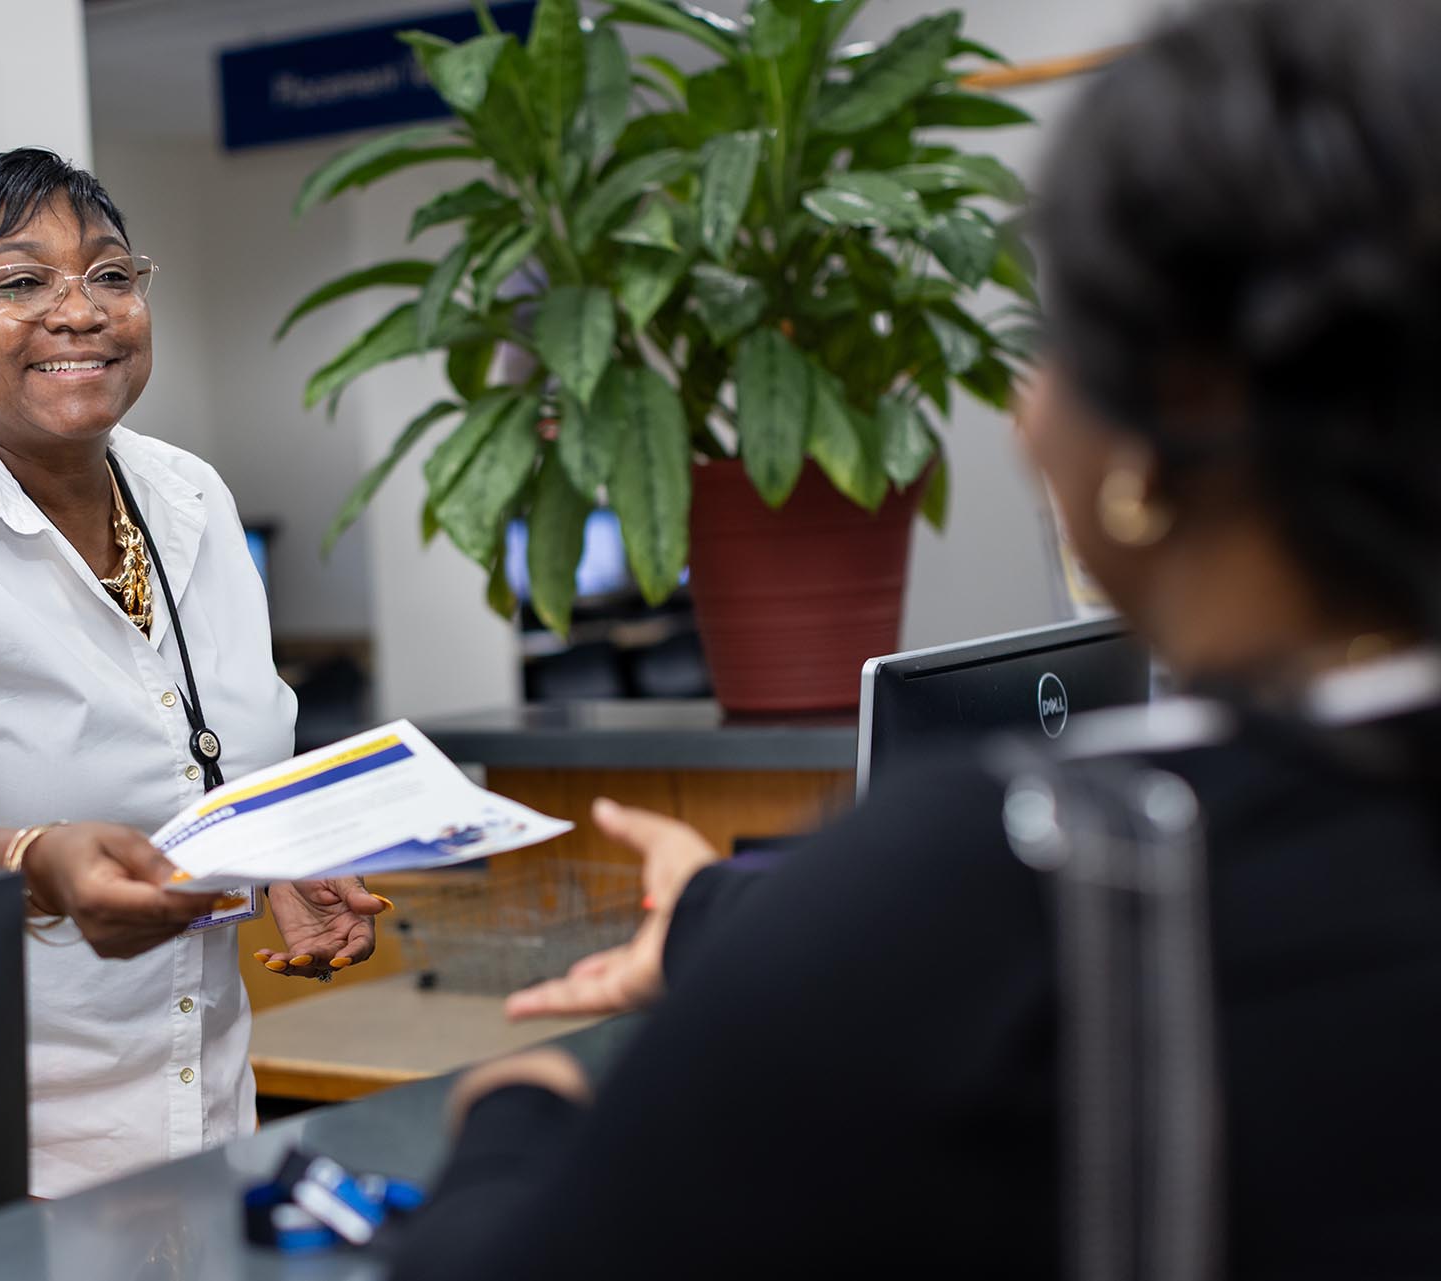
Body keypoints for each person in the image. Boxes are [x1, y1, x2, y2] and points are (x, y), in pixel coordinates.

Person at [388, 1, 1441, 1275]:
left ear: (1164, 424)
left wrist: (511, 1119)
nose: (1021, 407)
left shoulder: (995, 895)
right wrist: (722, 910)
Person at [0, 149, 387, 1198]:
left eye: (110, 275)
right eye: (20, 282)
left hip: (205, 1109)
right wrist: (36, 859)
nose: (80, 310)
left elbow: (200, 752)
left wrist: (275, 857)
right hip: (1, 1149)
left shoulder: (186, 493)